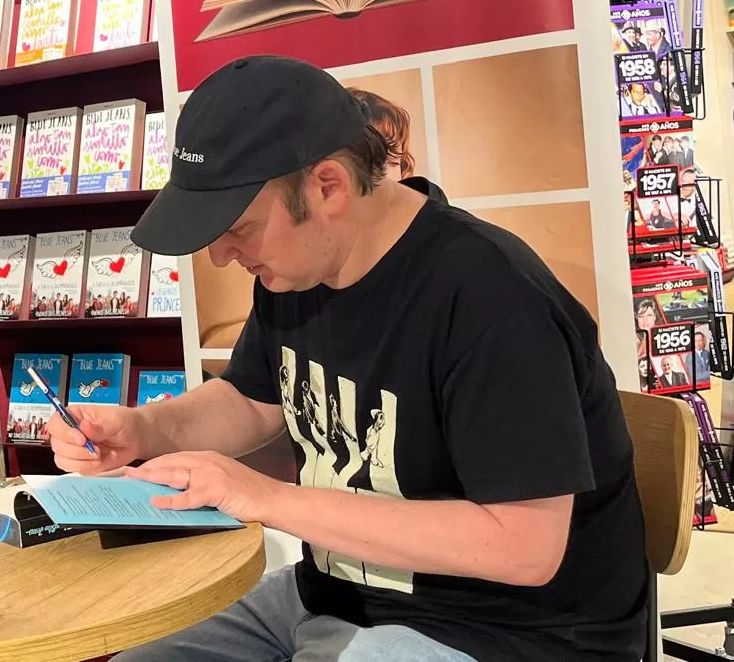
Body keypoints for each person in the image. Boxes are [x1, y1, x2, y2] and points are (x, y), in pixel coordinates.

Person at [49, 57, 646, 661]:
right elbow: (251, 401)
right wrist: (147, 429)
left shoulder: (491, 299)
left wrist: (265, 497)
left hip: (505, 632)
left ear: (328, 186)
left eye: (239, 227)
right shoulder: (296, 274)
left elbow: (524, 545)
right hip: (331, 595)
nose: (223, 256)